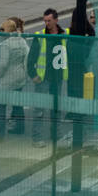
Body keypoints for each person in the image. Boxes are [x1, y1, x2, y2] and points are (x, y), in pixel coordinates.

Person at [28, 8, 69, 145]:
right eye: (45, 21)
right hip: (43, 78)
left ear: (56, 20)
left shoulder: (65, 33)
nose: (47, 23)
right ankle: (37, 138)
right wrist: (33, 75)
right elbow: (31, 59)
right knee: (39, 109)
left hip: (57, 78)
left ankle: (56, 136)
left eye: (49, 20)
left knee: (56, 109)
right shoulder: (40, 36)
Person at [0, 17, 29, 142]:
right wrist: (24, 72)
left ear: (8, 30)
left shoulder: (6, 44)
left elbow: (3, 64)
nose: (1, 31)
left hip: (7, 78)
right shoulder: (22, 41)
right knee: (17, 103)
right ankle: (20, 128)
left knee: (1, 105)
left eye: (2, 29)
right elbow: (27, 58)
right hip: (20, 76)